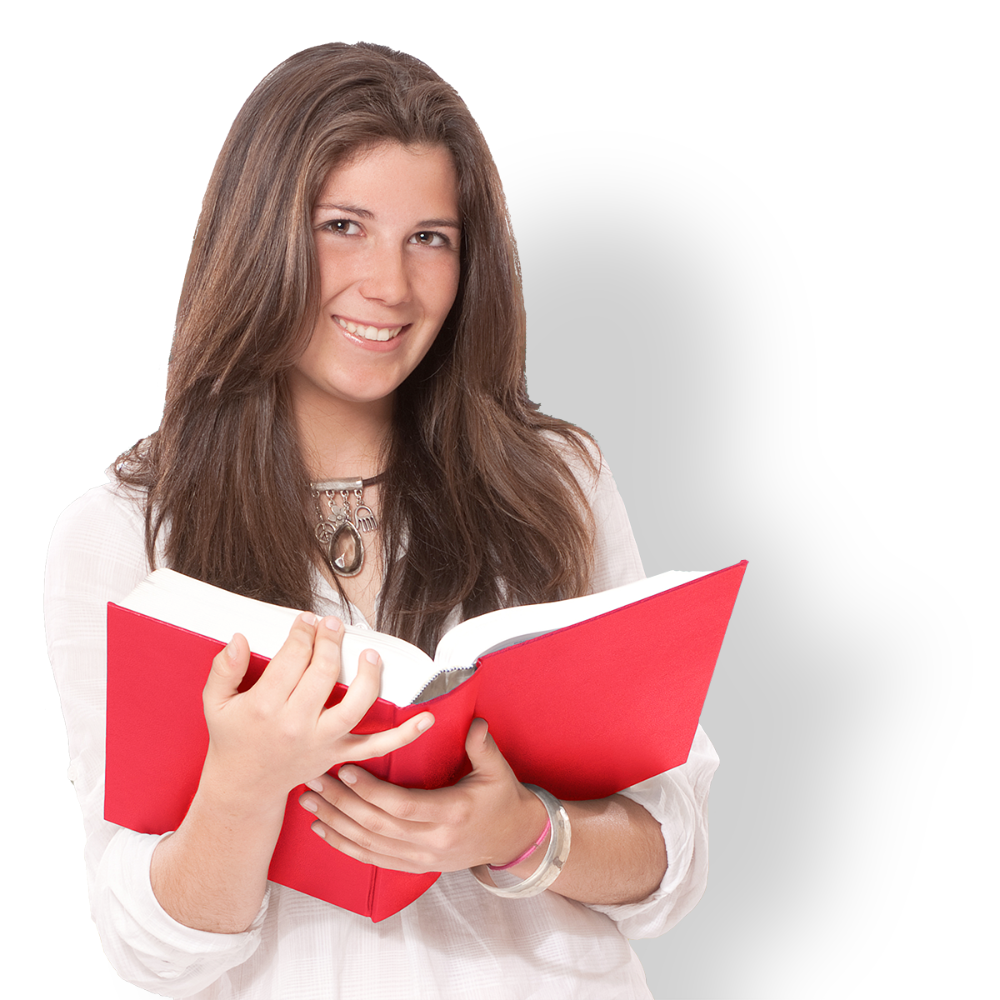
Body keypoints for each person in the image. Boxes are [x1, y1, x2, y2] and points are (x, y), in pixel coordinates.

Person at [43, 41, 719, 999]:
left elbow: (669, 869)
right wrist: (240, 786)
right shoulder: (119, 535)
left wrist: (523, 833)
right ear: (259, 236)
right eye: (344, 226)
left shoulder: (558, 481)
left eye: (430, 238)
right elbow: (155, 952)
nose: (390, 287)